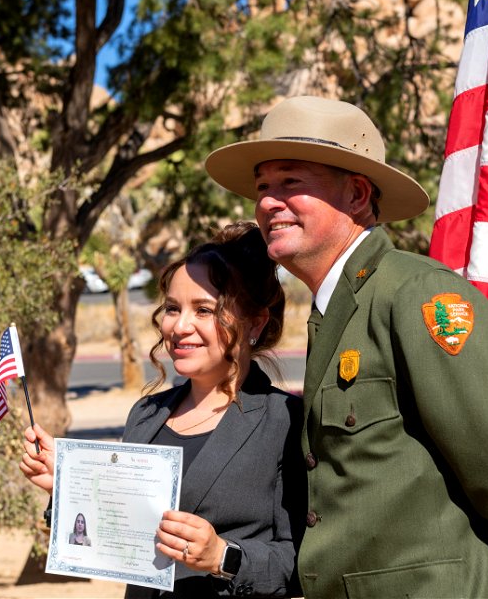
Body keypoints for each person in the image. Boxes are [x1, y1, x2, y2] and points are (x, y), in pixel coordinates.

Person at [204, 96, 488, 598]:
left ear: (356, 194)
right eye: (263, 187)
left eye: (291, 182)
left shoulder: (416, 295)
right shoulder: (335, 308)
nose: (268, 202)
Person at [19, 222, 306, 598]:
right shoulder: (146, 414)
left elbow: (304, 561)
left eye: (204, 310)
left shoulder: (284, 421)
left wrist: (223, 556)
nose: (180, 326)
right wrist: (69, 488)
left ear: (255, 322)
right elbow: (117, 536)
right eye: (172, 308)